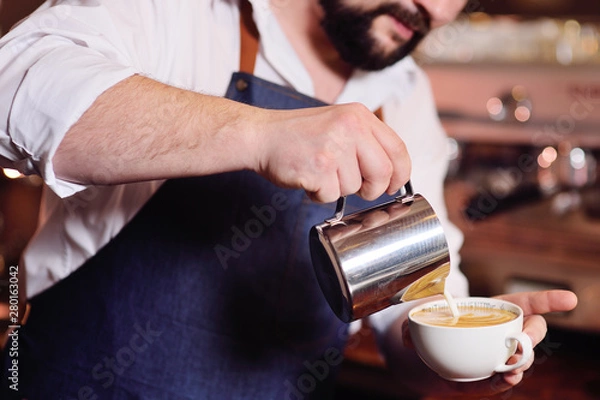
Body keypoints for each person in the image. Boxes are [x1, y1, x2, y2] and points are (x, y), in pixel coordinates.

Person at [0, 0, 577, 398]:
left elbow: (405, 316)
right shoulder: (184, 16)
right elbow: (11, 83)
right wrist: (258, 133)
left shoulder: (404, 95)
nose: (436, 8)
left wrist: (458, 357)